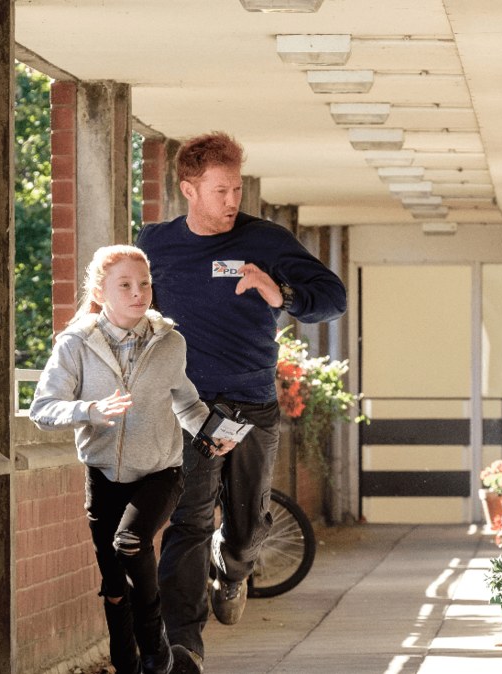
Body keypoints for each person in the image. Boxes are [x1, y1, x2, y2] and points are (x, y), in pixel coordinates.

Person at [137, 131, 347, 672]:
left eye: (236, 190)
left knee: (248, 526)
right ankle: (183, 647)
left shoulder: (266, 240)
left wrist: (283, 296)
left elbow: (333, 299)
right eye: (221, 190)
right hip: (190, 409)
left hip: (251, 404)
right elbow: (125, 306)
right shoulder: (155, 245)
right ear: (188, 189)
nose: (232, 201)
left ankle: (233, 570)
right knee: (189, 521)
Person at [29, 245, 232, 674]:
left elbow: (187, 404)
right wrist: (89, 411)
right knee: (114, 585)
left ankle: (157, 649)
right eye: (126, 285)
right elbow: (43, 409)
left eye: (144, 284)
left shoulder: (169, 341)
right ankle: (128, 665)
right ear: (101, 292)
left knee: (131, 542)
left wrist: (214, 434)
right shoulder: (75, 345)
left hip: (161, 471)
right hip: (103, 475)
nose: (139, 293)